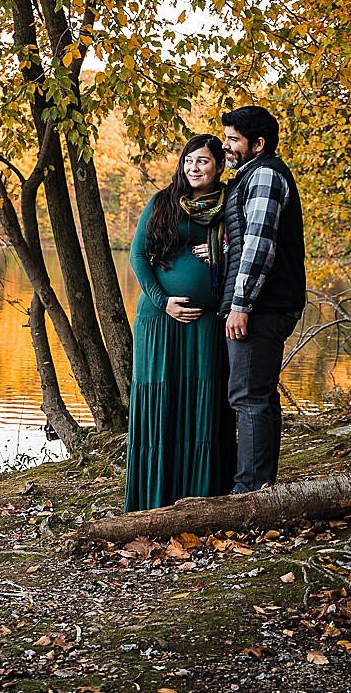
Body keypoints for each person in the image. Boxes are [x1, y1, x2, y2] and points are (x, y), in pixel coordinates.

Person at [125, 134, 236, 512]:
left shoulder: (229, 206)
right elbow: (139, 257)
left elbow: (240, 247)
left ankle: (203, 498)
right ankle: (155, 500)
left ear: (219, 166)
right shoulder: (162, 203)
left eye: (203, 161)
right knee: (163, 401)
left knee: (203, 401)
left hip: (207, 323)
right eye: (189, 161)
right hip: (160, 320)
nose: (194, 168)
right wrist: (164, 302)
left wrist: (220, 248)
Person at [219, 105, 306, 494]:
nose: (227, 146)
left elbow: (259, 246)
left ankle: (250, 493)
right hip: (266, 303)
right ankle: (260, 487)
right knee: (260, 397)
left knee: (248, 396)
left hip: (262, 306)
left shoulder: (266, 175)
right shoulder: (251, 176)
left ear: (258, 144)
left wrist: (241, 306)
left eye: (234, 139)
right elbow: (244, 240)